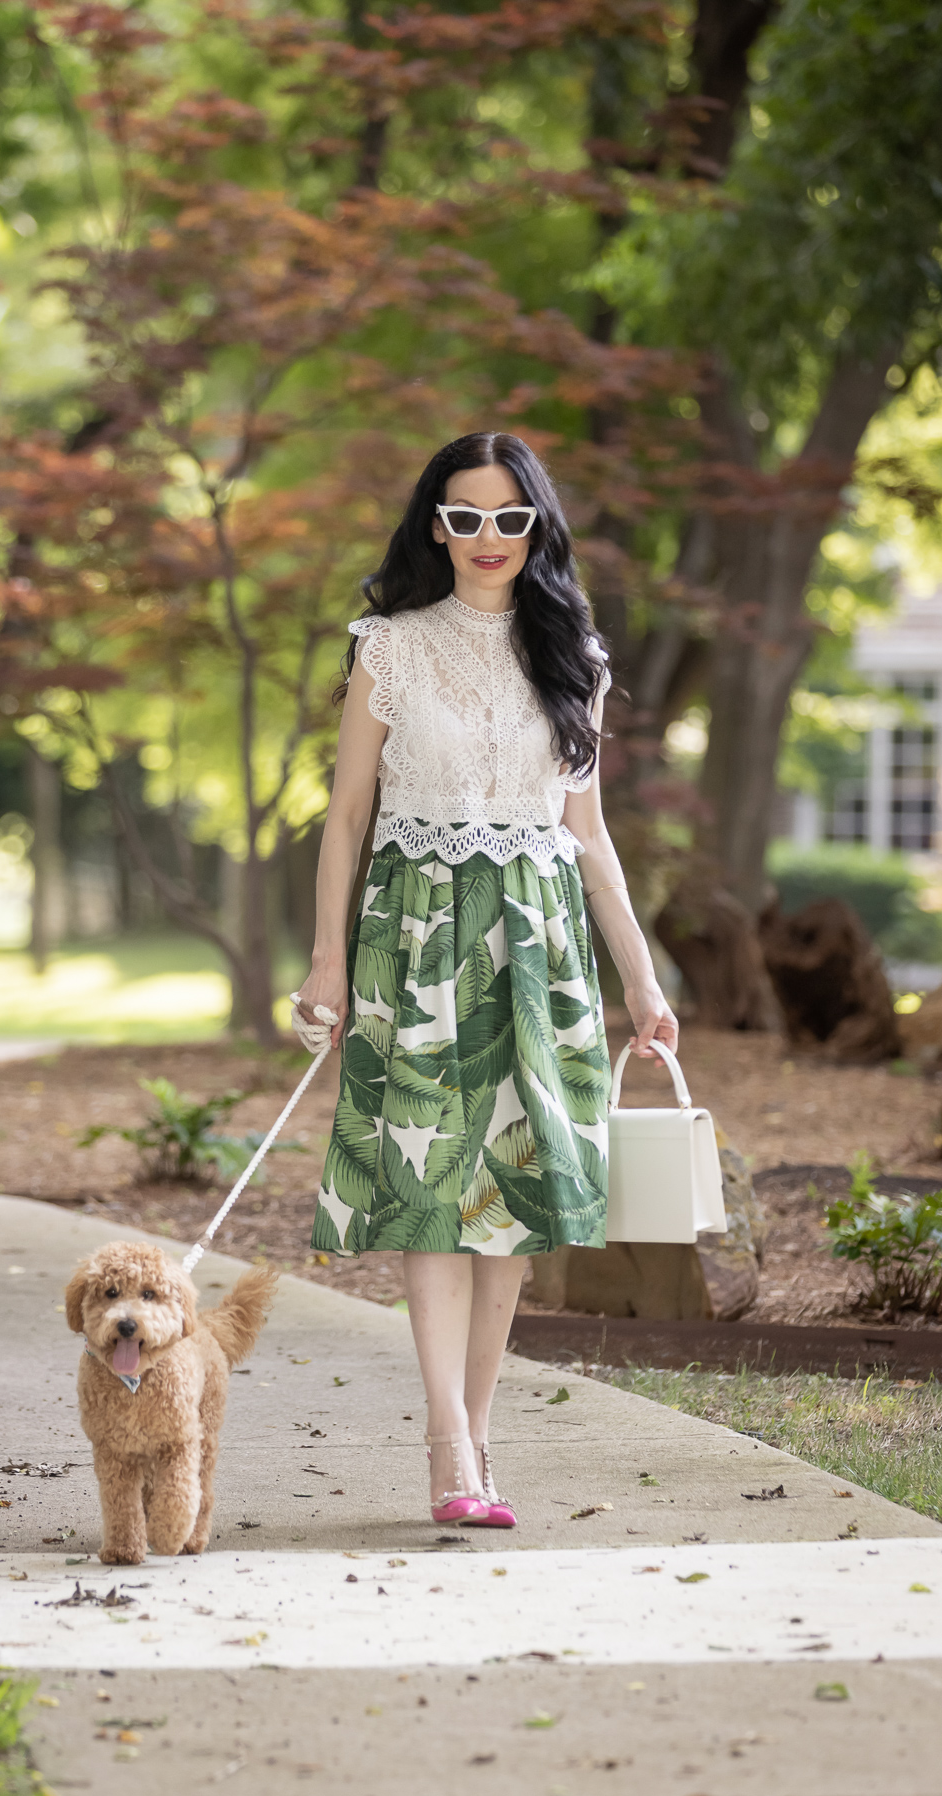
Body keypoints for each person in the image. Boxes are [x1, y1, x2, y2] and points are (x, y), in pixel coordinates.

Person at [291, 431, 677, 1528]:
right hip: (415, 927)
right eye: (465, 516)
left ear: (538, 528)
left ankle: (479, 1434)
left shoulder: (577, 661)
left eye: (512, 518)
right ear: (434, 525)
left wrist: (641, 984)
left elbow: (590, 839)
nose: (489, 537)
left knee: (509, 1190)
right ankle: (446, 1441)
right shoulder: (390, 648)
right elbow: (349, 816)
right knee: (425, 1184)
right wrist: (326, 955)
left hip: (541, 941)